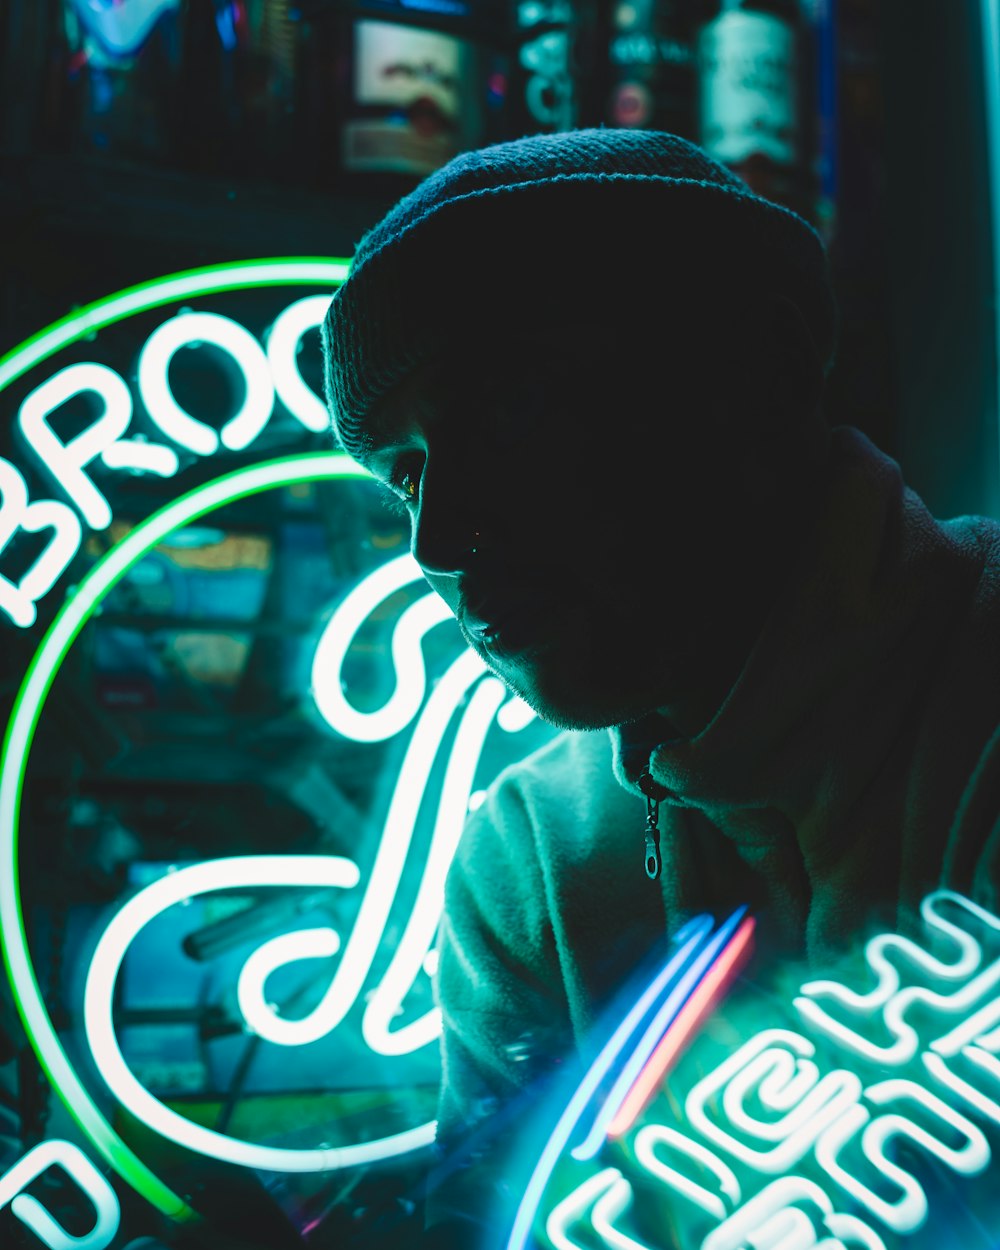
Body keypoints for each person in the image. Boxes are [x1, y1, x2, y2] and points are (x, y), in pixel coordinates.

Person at [321, 127, 1000, 1247]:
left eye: (508, 411)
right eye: (405, 472)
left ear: (758, 366)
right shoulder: (528, 859)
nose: (438, 538)